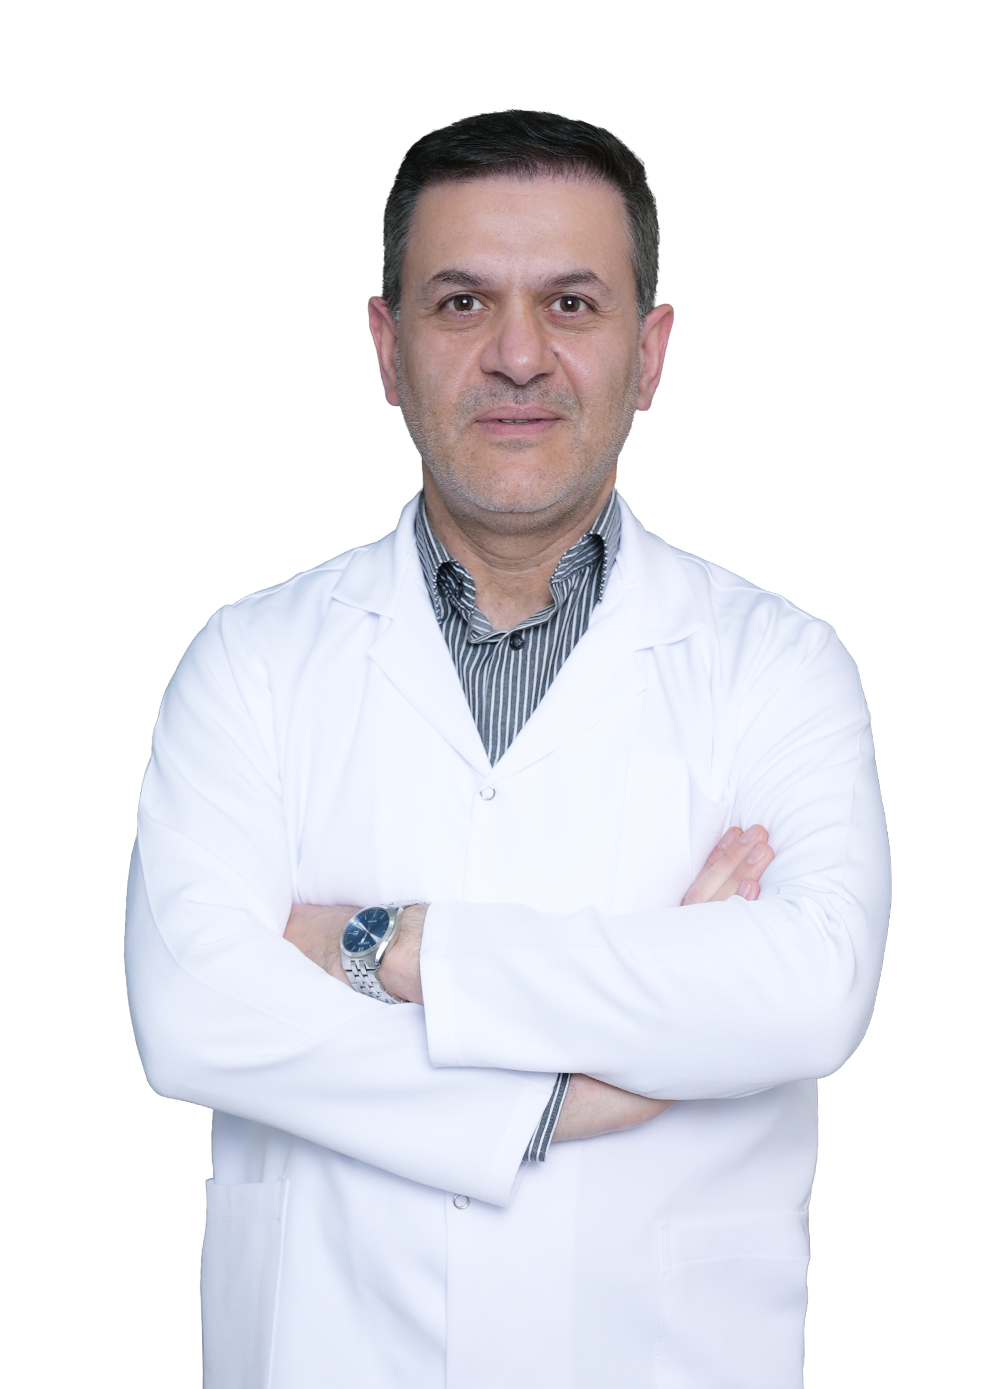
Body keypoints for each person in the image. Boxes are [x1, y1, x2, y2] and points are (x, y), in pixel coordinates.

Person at [125, 109, 890, 1389]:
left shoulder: (778, 664)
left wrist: (393, 947)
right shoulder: (250, 660)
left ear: (647, 353)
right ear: (390, 349)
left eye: (572, 304)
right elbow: (196, 1015)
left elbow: (809, 987)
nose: (519, 355)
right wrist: (560, 1096)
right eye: (462, 302)